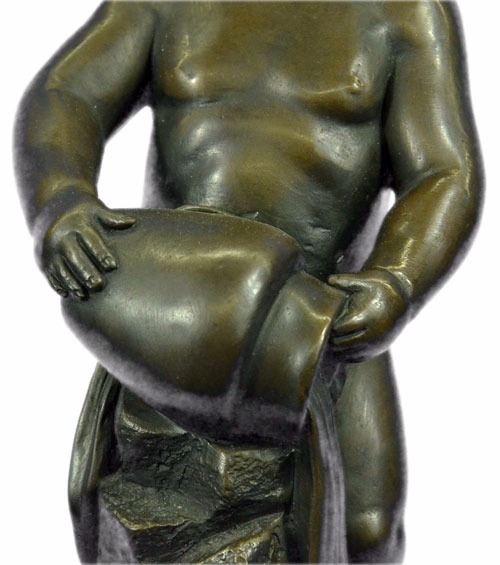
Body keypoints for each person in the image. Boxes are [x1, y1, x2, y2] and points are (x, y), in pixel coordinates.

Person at [14, 1, 482, 563]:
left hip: (331, 320)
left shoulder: (405, 12)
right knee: (152, 519)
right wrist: (60, 201)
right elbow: (67, 94)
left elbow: (443, 173)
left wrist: (398, 281)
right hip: (179, 316)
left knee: (367, 530)